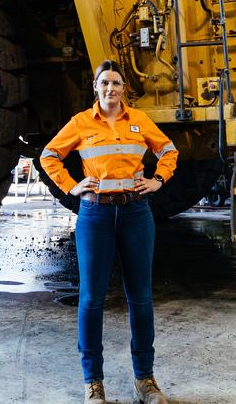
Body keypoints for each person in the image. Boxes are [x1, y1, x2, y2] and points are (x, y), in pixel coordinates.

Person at [39, 60, 177, 404]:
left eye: (116, 83)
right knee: (91, 300)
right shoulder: (81, 123)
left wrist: (157, 180)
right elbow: (49, 155)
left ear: (123, 88)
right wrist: (72, 187)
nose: (110, 89)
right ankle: (93, 384)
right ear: (96, 88)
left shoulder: (139, 120)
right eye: (104, 83)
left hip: (135, 214)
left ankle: (145, 381)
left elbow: (169, 151)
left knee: (141, 299)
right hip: (95, 215)